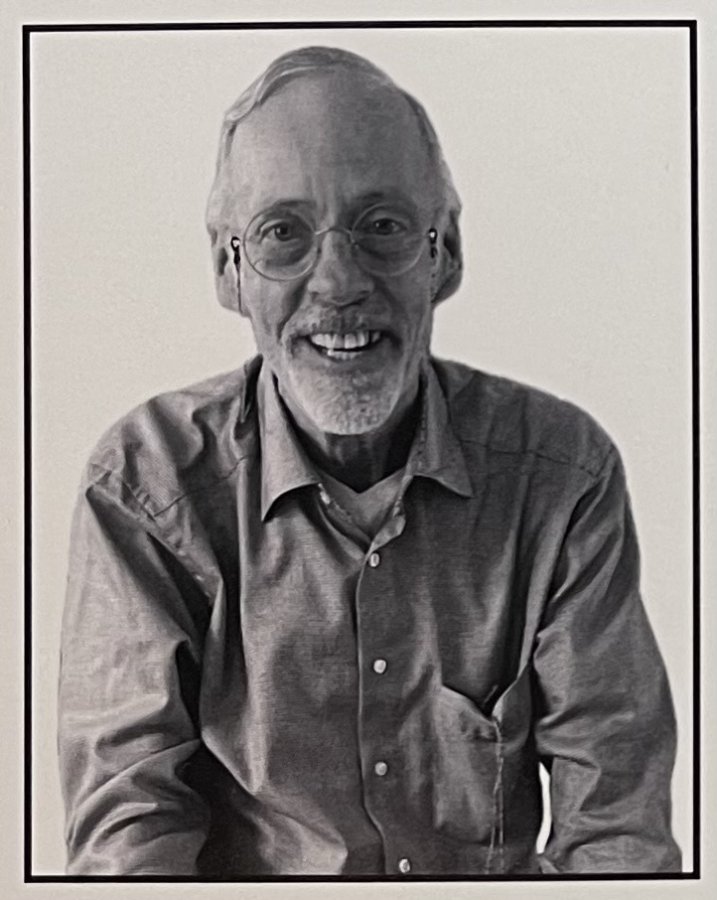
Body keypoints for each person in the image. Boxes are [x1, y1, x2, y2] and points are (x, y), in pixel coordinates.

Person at [58, 46, 681, 877]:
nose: (338, 283)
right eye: (283, 234)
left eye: (381, 227)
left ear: (444, 252)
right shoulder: (145, 488)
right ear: (228, 269)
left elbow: (616, 831)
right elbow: (129, 843)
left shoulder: (562, 477)